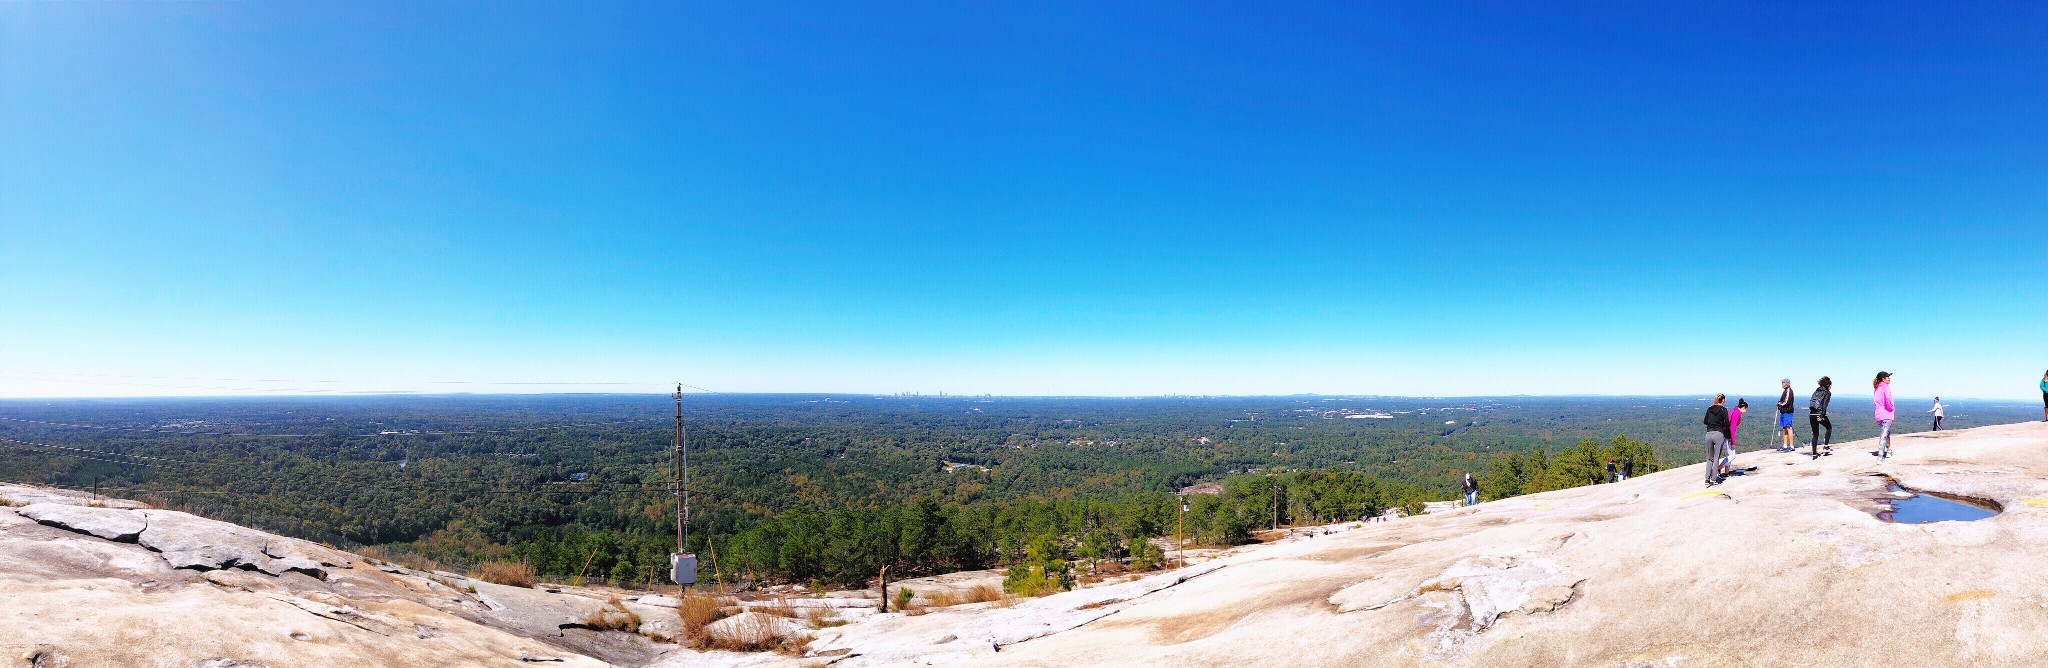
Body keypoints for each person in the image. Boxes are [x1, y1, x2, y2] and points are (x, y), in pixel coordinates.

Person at [1703, 394, 1732, 486]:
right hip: (1718, 434)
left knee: (1710, 457)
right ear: (1722, 400)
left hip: (1708, 434)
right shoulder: (1723, 410)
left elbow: (1705, 421)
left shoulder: (1709, 408)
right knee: (1716, 458)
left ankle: (1707, 479)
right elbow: (1727, 423)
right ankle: (1714, 479)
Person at [1808, 376, 1833, 457]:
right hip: (1819, 414)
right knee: (1829, 427)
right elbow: (1824, 405)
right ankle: (1825, 447)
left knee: (1815, 434)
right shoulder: (1827, 393)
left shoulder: (1816, 391)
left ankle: (1814, 453)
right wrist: (1822, 415)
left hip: (1812, 414)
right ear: (1828, 385)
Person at [1874, 372, 1896, 462]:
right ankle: (1880, 457)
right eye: (1887, 377)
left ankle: (1888, 449)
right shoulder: (1885, 386)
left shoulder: (1876, 387)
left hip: (1878, 415)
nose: (1889, 378)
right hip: (1886, 414)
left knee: (1887, 432)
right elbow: (1888, 398)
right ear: (1883, 379)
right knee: (1884, 434)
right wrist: (1891, 408)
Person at [1725, 399, 1747, 475]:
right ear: (1743, 407)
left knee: (1728, 456)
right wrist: (1733, 441)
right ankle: (1718, 468)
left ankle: (1726, 473)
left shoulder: (1734, 411)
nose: (1745, 411)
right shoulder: (1736, 413)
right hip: (1728, 436)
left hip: (1725, 434)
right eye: (1745, 409)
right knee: (1732, 456)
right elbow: (1733, 428)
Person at [1776, 379, 1797, 452]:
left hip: (1787, 411)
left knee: (1788, 428)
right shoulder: (1786, 390)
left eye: (1783, 383)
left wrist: (1780, 404)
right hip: (1784, 411)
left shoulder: (1788, 391)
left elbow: (1786, 402)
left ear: (1787, 384)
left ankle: (1791, 446)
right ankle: (1785, 445)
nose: (1782, 384)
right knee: (1784, 428)